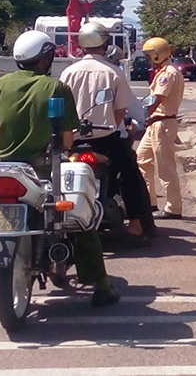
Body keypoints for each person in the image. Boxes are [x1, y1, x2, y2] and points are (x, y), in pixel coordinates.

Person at [0, 30, 120, 308]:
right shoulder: (56, 88)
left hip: (5, 169)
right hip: (43, 171)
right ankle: (101, 286)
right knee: (83, 217)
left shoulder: (0, 84)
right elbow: (67, 139)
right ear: (47, 57)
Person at [60, 22, 153, 244]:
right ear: (105, 43)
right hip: (106, 139)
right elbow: (121, 110)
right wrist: (112, 126)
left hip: (74, 139)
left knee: (58, 174)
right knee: (130, 173)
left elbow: (62, 107)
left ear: (81, 45)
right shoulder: (113, 72)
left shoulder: (68, 72)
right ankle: (136, 225)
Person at [137, 37, 185, 219]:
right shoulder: (162, 71)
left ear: (158, 55)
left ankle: (173, 208)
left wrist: (139, 116)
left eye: (149, 55)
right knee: (141, 160)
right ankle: (149, 203)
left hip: (162, 124)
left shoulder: (168, 74)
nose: (147, 59)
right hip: (155, 124)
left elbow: (156, 100)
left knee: (165, 168)